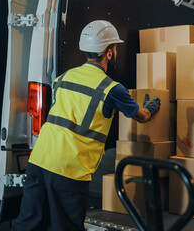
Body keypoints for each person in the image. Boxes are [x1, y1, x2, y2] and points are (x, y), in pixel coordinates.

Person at [12, 20, 161, 231]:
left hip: (38, 161)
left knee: (28, 224)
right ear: (109, 53)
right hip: (69, 170)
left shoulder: (63, 78)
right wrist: (151, 108)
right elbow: (142, 116)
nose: (116, 53)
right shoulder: (112, 88)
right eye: (115, 48)